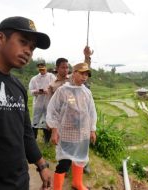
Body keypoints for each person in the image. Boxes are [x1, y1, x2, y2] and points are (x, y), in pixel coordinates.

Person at [0, 16, 51, 190]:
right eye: (23, 42)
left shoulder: (18, 86)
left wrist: (41, 164)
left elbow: (26, 132)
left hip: (19, 182)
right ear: (1, 38)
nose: (28, 51)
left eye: (32, 48)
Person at [46, 62, 97, 190]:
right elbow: (53, 111)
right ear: (73, 73)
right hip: (67, 134)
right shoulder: (63, 91)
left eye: (86, 74)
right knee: (64, 162)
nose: (84, 77)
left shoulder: (86, 92)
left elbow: (91, 112)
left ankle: (77, 183)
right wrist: (54, 131)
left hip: (82, 133)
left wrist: (92, 130)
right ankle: (57, 188)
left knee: (80, 158)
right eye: (81, 73)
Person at [29, 61, 56, 143]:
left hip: (48, 102)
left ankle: (47, 140)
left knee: (47, 120)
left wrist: (48, 90)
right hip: (38, 103)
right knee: (35, 120)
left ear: (45, 67)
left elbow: (55, 86)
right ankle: (33, 139)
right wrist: (37, 91)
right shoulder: (34, 79)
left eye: (43, 67)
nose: (41, 70)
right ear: (38, 69)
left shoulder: (51, 76)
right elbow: (31, 90)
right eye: (40, 68)